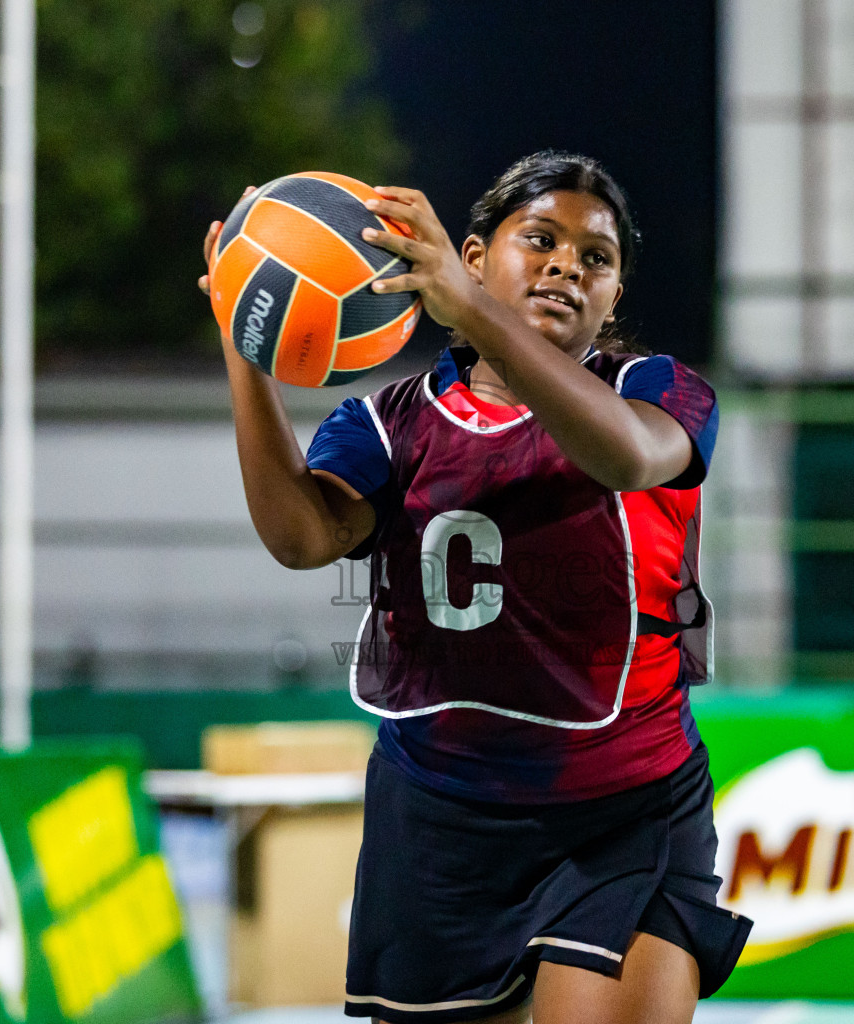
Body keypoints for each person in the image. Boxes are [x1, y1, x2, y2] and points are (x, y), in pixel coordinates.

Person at [199, 151, 750, 1024]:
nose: (569, 263)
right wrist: (245, 349)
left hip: (624, 809)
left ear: (613, 297)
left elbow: (623, 458)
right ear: (473, 253)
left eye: (596, 258)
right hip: (440, 820)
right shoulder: (389, 424)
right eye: (540, 239)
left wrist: (474, 314)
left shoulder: (656, 393)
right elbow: (303, 537)